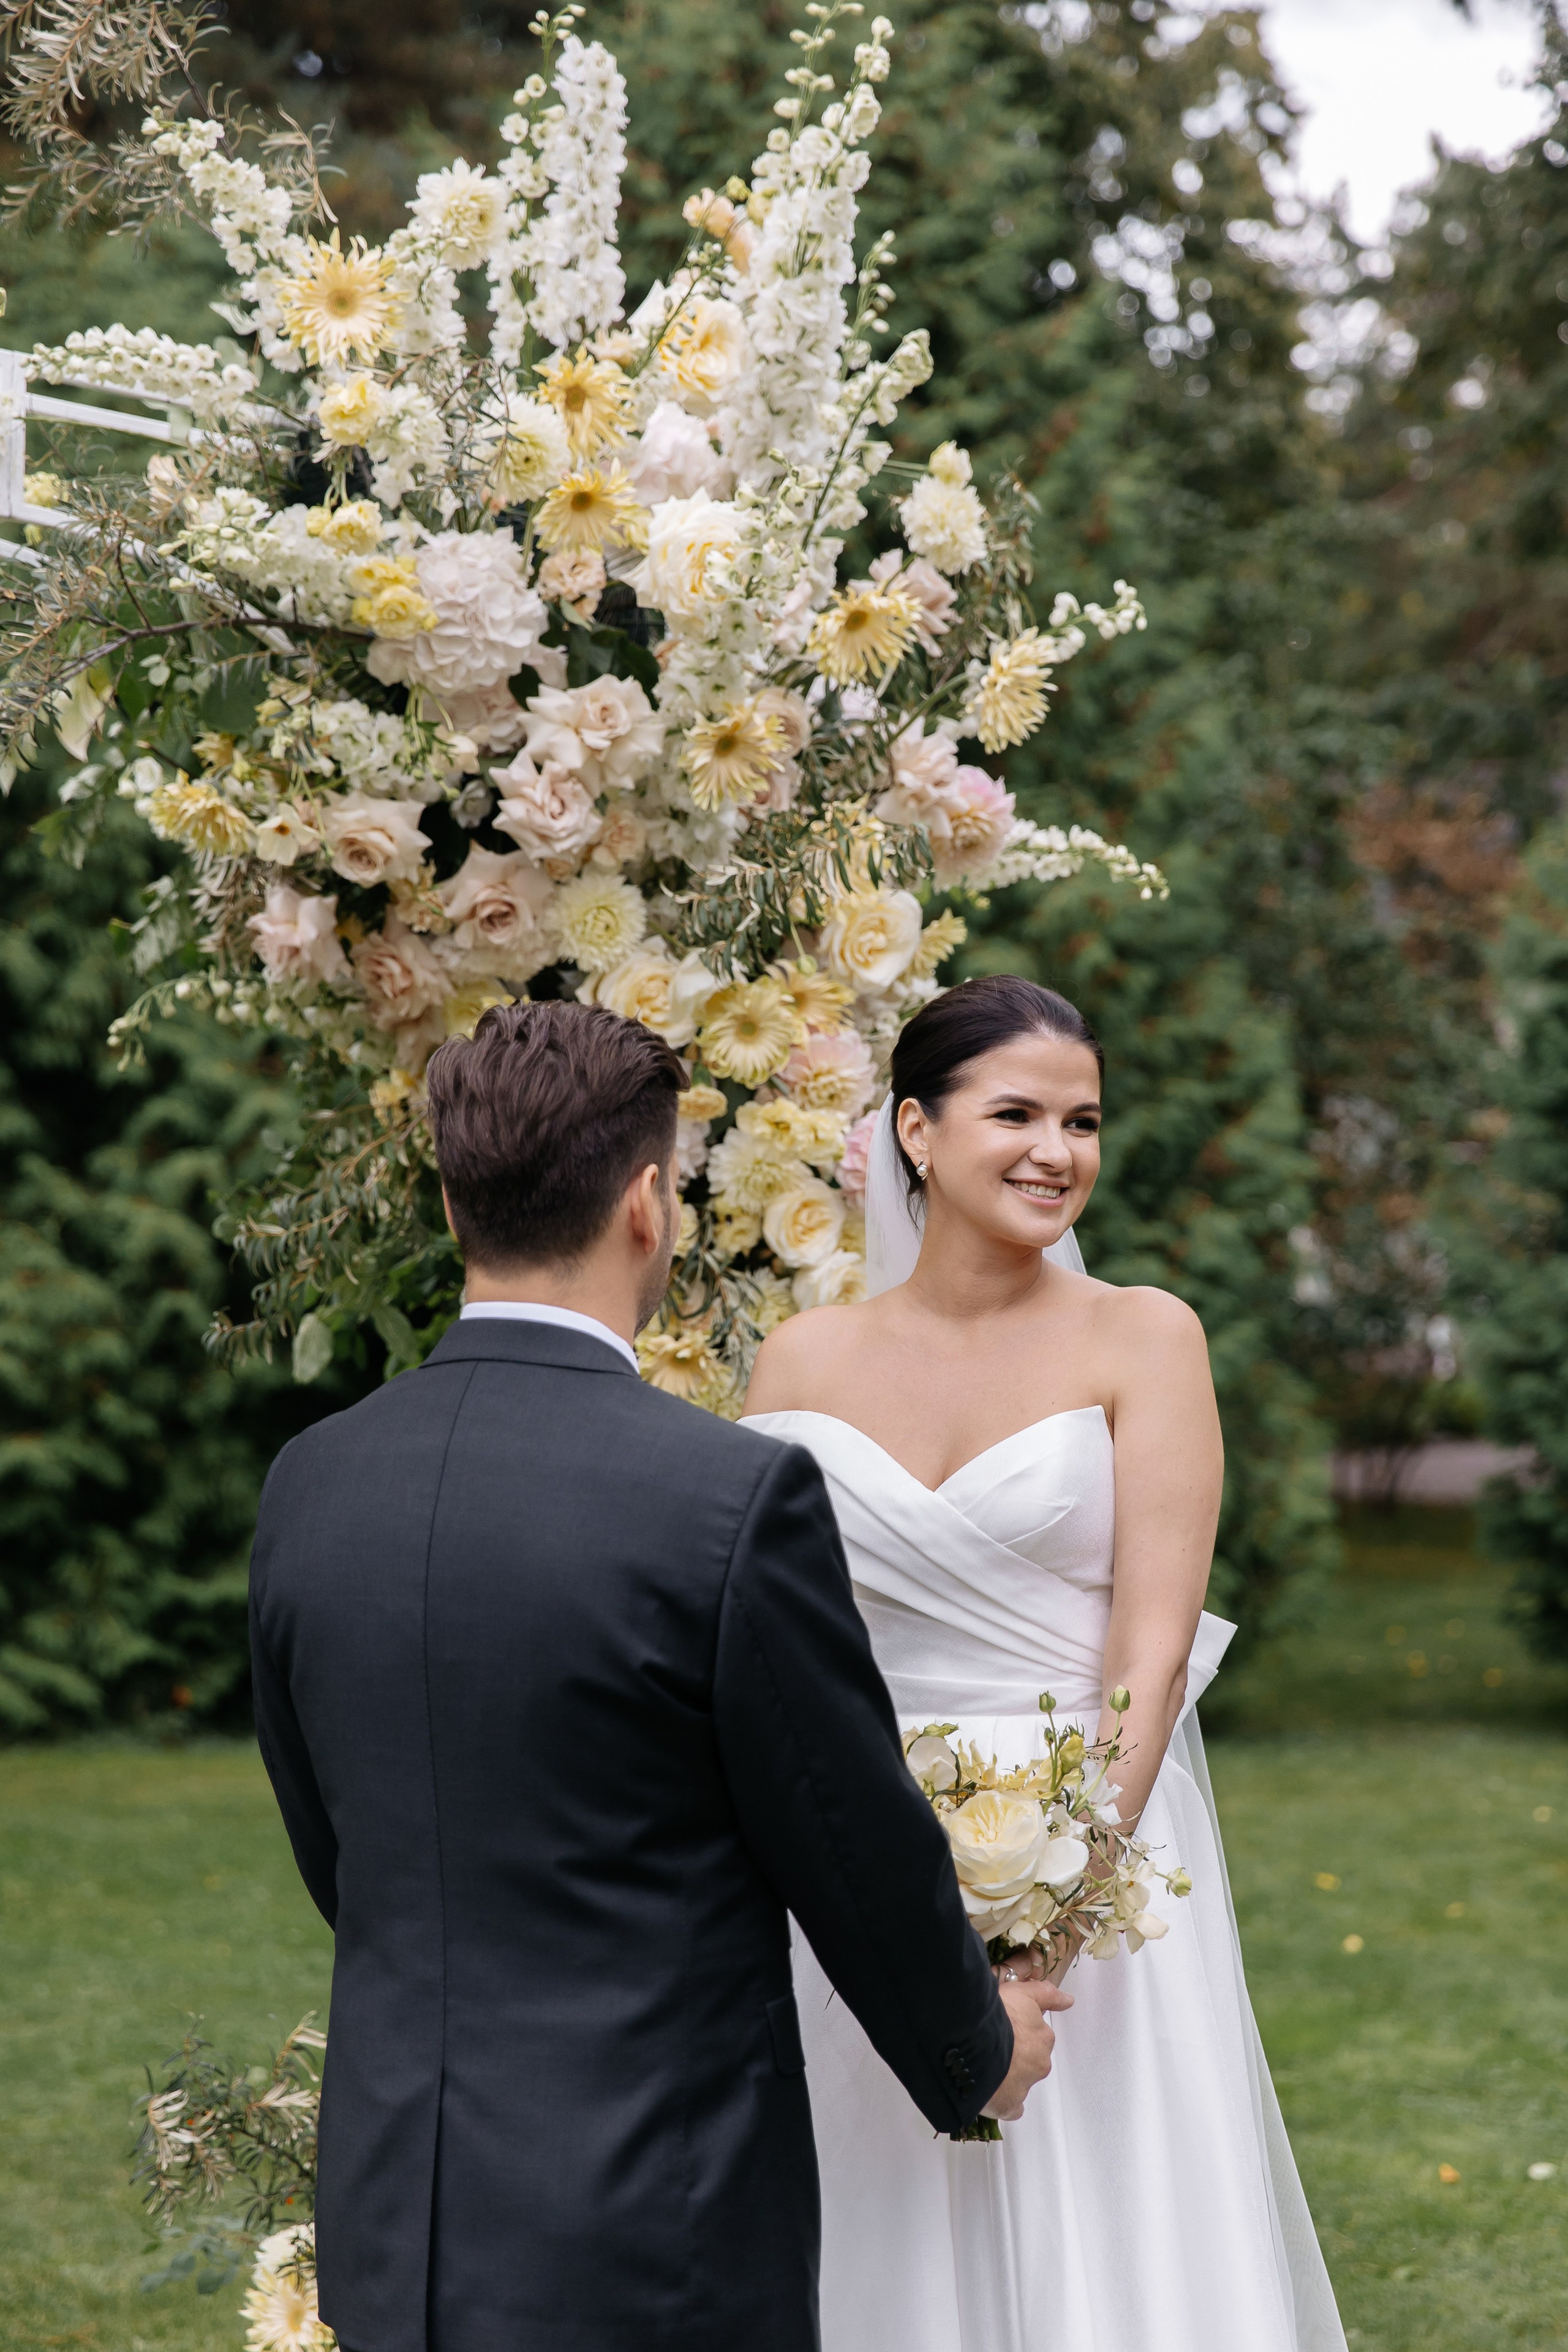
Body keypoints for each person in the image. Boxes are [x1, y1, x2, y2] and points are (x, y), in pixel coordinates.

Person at [248, 997, 1066, 2352]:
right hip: (652, 2218)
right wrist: (974, 2047)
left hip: (400, 2209)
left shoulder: (310, 1483)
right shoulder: (727, 1499)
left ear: (453, 1207)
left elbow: (337, 1849)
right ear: (646, 1204)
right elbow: (845, 1834)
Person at [744, 973, 1349, 2352]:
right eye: (1015, 1114)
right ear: (915, 1130)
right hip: (864, 1847)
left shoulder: (1144, 1336)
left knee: (1105, 2240)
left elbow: (1153, 1649)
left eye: (1082, 1122)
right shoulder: (799, 1361)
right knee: (877, 2224)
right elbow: (773, 1649)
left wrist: (1049, 1925)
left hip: (1094, 1848)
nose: (1056, 1152)